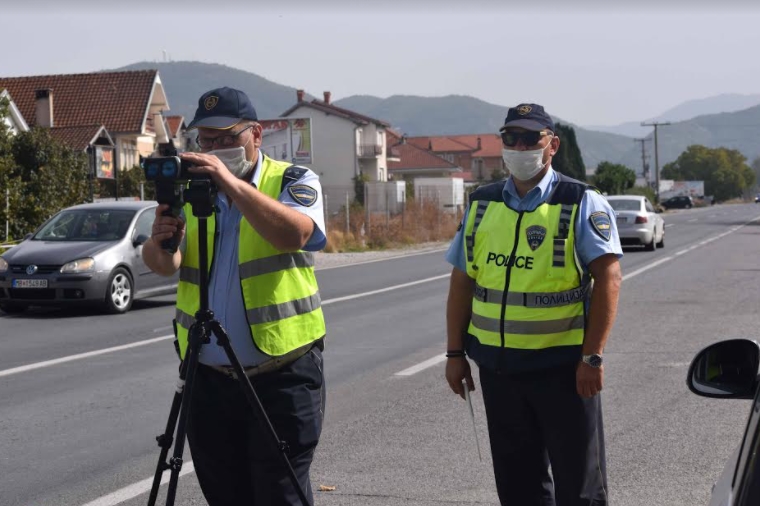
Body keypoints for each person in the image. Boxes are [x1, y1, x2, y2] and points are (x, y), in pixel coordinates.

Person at [142, 87, 327, 505]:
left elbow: (295, 234)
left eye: (228, 138)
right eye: (207, 141)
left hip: (282, 376)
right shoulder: (189, 188)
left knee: (281, 495)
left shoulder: (293, 179)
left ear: (256, 135)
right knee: (225, 496)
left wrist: (227, 182)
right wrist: (162, 242)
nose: (215, 149)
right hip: (208, 380)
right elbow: (162, 264)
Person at [444, 103, 623, 505]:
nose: (520, 146)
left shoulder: (580, 201)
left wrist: (592, 358)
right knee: (518, 487)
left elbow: (609, 279)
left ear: (552, 145)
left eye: (530, 138)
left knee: (580, 487)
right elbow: (462, 284)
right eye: (511, 138)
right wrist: (455, 353)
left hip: (564, 371)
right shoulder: (482, 203)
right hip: (499, 370)